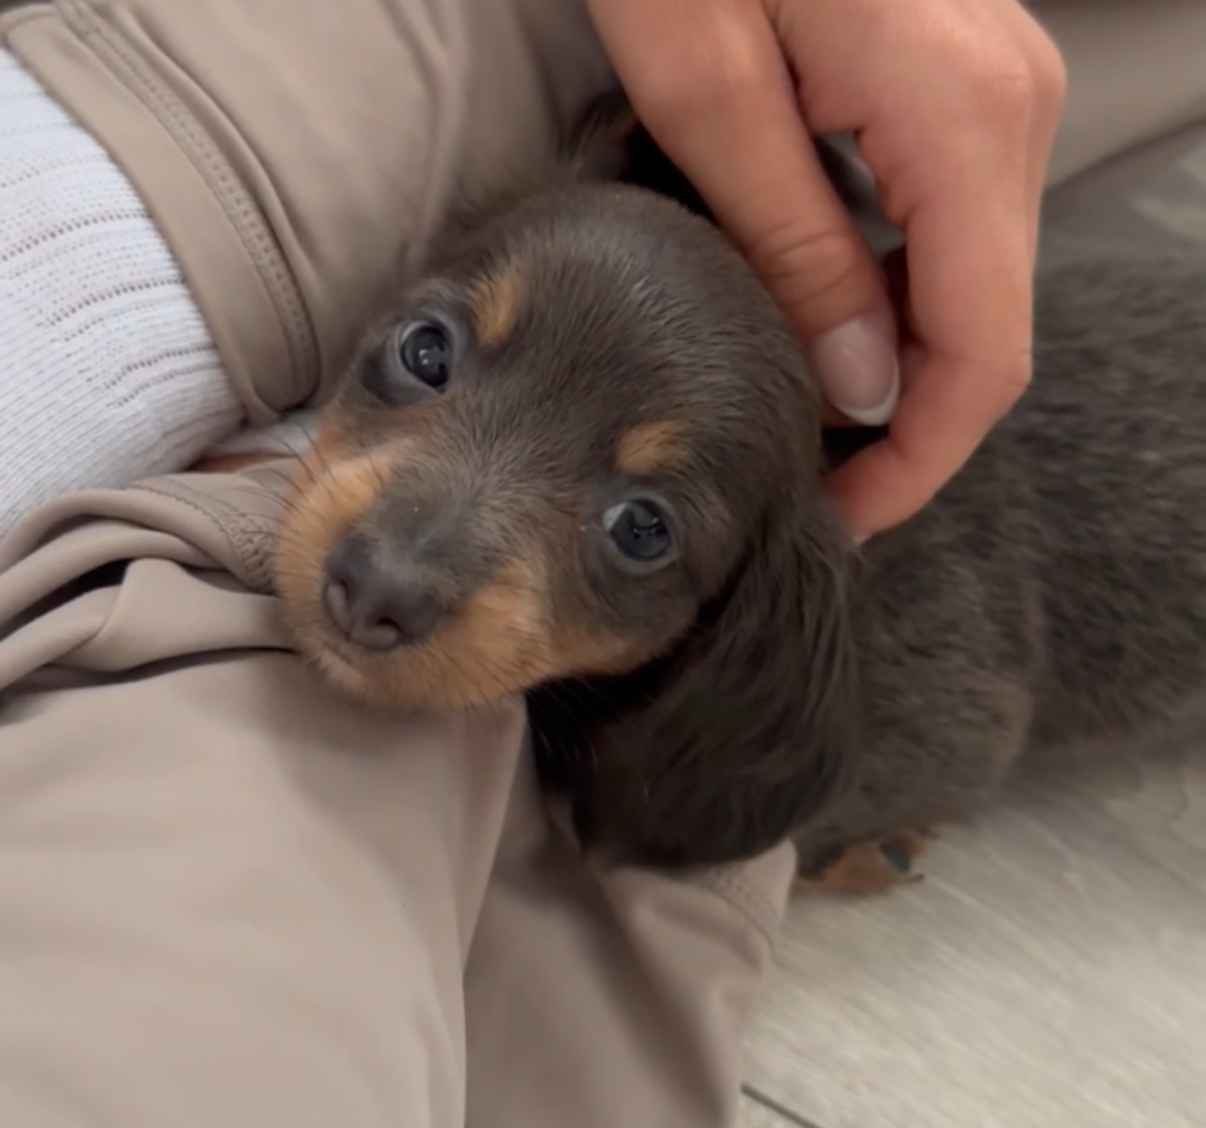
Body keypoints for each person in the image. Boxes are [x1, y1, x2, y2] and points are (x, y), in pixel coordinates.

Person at [0, 2, 1205, 1126]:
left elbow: (955, 725)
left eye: (639, 528)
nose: (392, 569)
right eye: (427, 356)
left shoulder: (838, 639)